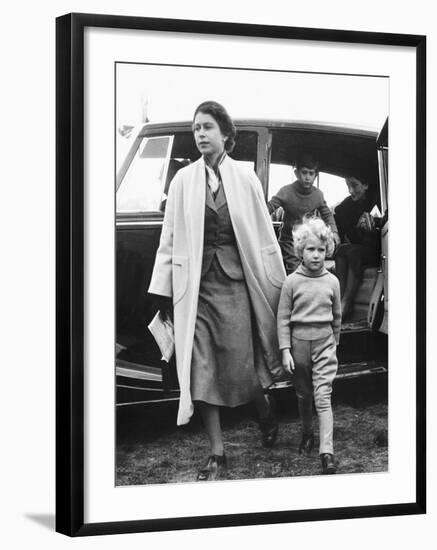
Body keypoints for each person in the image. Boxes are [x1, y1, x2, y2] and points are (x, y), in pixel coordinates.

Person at [148, 101, 286, 481]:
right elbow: (169, 238)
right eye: (196, 129)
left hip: (236, 286)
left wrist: (277, 280)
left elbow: (262, 235)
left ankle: (264, 409)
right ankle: (217, 452)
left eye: (208, 127)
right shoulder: (182, 181)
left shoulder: (246, 180)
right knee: (200, 367)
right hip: (196, 291)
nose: (201, 134)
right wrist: (163, 289)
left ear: (225, 134)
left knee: (243, 367)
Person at [277, 217, 341, 475]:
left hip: (325, 344)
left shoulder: (332, 282)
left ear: (327, 251)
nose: (316, 255)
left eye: (321, 250)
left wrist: (334, 343)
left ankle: (327, 451)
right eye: (310, 249)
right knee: (304, 396)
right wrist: (285, 350)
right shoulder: (291, 282)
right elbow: (282, 319)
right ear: (300, 251)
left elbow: (337, 317)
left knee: (323, 397)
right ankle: (306, 433)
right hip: (299, 347)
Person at [267, 154, 340, 274]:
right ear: (296, 173)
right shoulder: (286, 192)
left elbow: (327, 214)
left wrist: (334, 232)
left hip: (308, 238)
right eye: (304, 172)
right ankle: (296, 289)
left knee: (312, 266)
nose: (307, 177)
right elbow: (269, 208)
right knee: (295, 268)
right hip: (289, 240)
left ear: (315, 176)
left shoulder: (318, 195)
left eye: (311, 174)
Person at [334, 176, 380, 320]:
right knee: (341, 250)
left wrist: (373, 227)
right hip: (360, 247)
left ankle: (347, 302)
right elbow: (348, 233)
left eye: (354, 186)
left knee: (353, 252)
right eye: (348, 186)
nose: (351, 191)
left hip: (378, 249)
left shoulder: (378, 200)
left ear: (365, 184)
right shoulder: (346, 206)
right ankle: (340, 298)